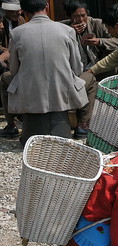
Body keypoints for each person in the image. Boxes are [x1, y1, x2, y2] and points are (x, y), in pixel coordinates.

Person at [7, 0, 96, 145]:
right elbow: (77, 69)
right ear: (47, 7)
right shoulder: (67, 30)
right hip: (62, 94)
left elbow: (13, 69)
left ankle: (11, 125)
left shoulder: (16, 33)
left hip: (30, 95)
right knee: (90, 79)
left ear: (23, 11)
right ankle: (82, 125)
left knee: (6, 79)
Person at [61, 0, 118, 73]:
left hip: (98, 65)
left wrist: (99, 41)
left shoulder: (98, 24)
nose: (81, 19)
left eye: (83, 15)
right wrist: (69, 31)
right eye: (76, 16)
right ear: (70, 17)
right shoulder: (63, 27)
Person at [0, 0, 24, 138]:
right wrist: (6, 52)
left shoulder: (20, 20)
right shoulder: (1, 20)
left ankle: (17, 115)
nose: (18, 13)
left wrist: (10, 52)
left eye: (19, 10)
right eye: (14, 10)